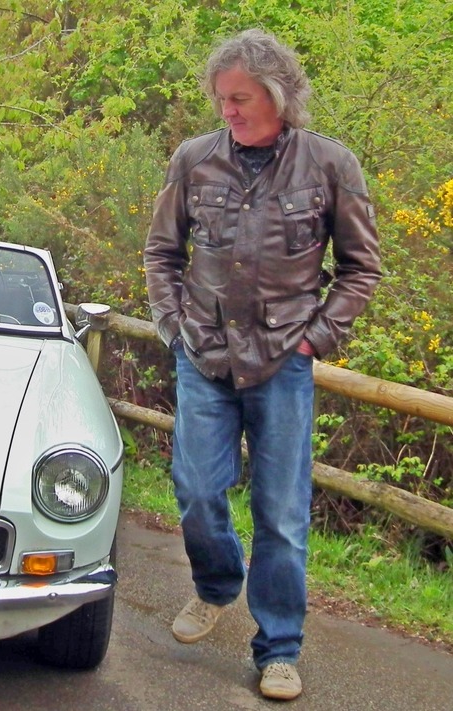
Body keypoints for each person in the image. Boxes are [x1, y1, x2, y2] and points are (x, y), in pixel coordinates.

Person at [142, 29, 381, 701]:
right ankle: (217, 585)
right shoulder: (193, 160)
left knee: (280, 511)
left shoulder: (333, 165)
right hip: (204, 355)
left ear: (278, 95)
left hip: (284, 363)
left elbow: (361, 270)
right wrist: (172, 325)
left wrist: (315, 338)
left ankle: (279, 646)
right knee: (195, 488)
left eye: (240, 98)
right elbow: (161, 253)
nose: (228, 111)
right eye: (220, 98)